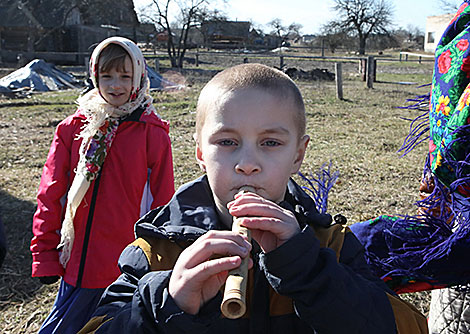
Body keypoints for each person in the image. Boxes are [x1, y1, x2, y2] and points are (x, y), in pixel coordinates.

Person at [79, 63, 427, 333]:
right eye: (227, 142)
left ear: (298, 155)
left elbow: (410, 328)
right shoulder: (157, 252)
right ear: (200, 151)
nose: (247, 164)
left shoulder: (329, 245)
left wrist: (312, 273)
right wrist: (166, 304)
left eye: (271, 143)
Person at [30, 36, 174, 334]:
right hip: (79, 264)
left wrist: (160, 259)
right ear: (94, 76)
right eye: (106, 76)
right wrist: (44, 253)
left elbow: (163, 203)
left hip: (126, 265)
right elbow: (52, 192)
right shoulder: (74, 129)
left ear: (139, 76)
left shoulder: (152, 133)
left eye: (125, 76)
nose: (115, 85)